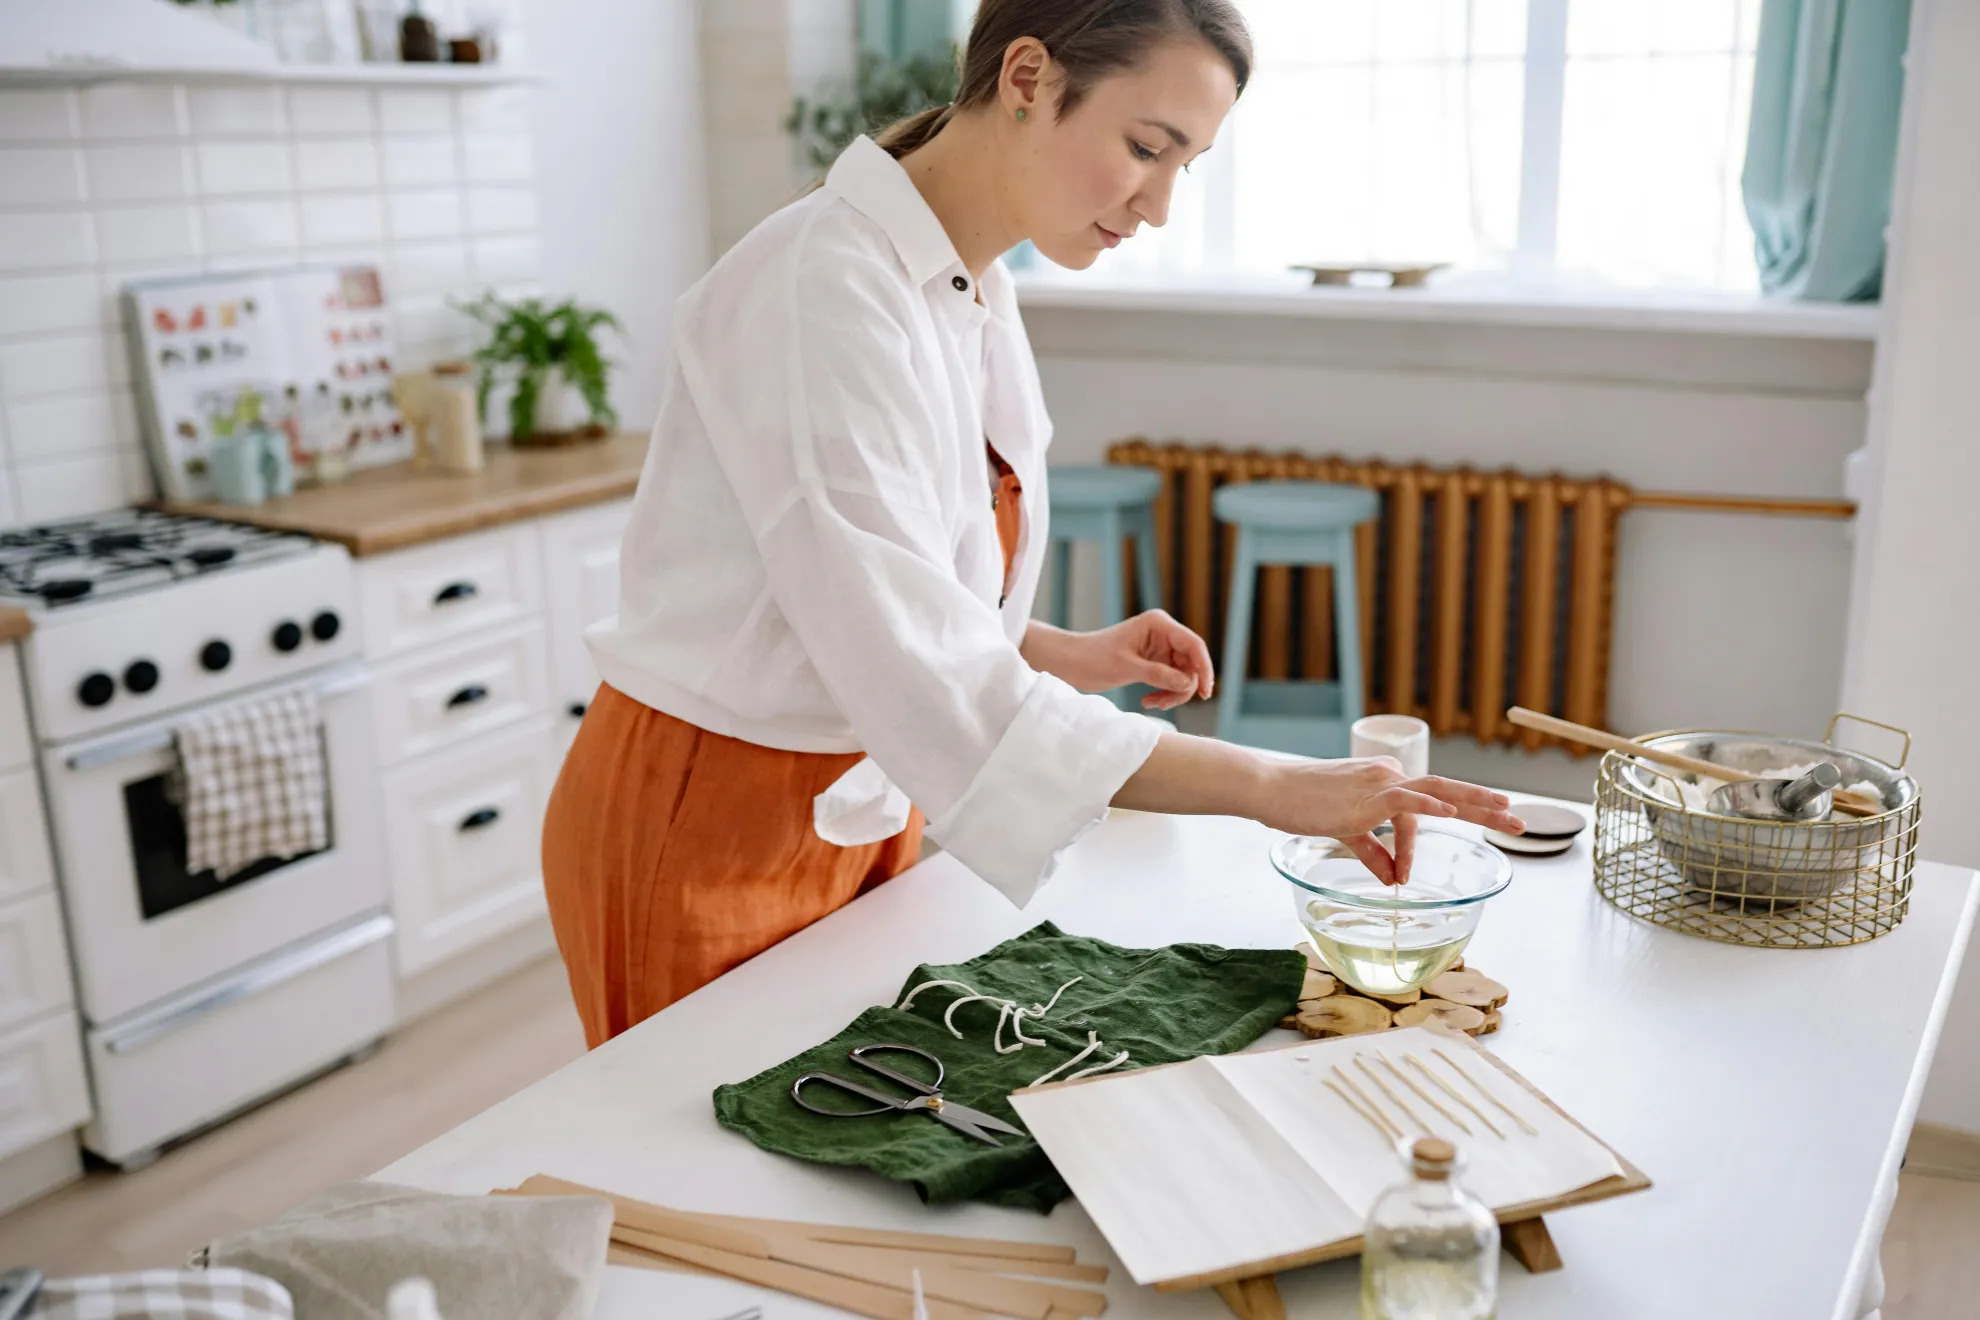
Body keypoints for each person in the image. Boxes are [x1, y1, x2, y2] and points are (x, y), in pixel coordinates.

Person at [542, 0, 1526, 1048]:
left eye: (1186, 164)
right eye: (1147, 147)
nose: (1157, 206)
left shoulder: (971, 279)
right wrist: (1272, 784)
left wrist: (1052, 650)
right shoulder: (818, 290)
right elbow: (913, 653)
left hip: (859, 804)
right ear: (1026, 79)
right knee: (699, 1188)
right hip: (704, 820)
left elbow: (888, 592)